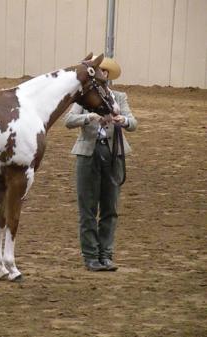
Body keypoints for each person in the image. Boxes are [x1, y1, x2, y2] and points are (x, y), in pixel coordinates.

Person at [64, 57, 137, 271]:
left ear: (108, 75)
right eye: (100, 71)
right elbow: (68, 121)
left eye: (105, 71)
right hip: (88, 152)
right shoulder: (83, 100)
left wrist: (123, 120)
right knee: (87, 207)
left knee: (110, 207)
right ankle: (90, 256)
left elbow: (133, 122)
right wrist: (90, 118)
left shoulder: (119, 98)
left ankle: (106, 254)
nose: (103, 74)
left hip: (114, 153)